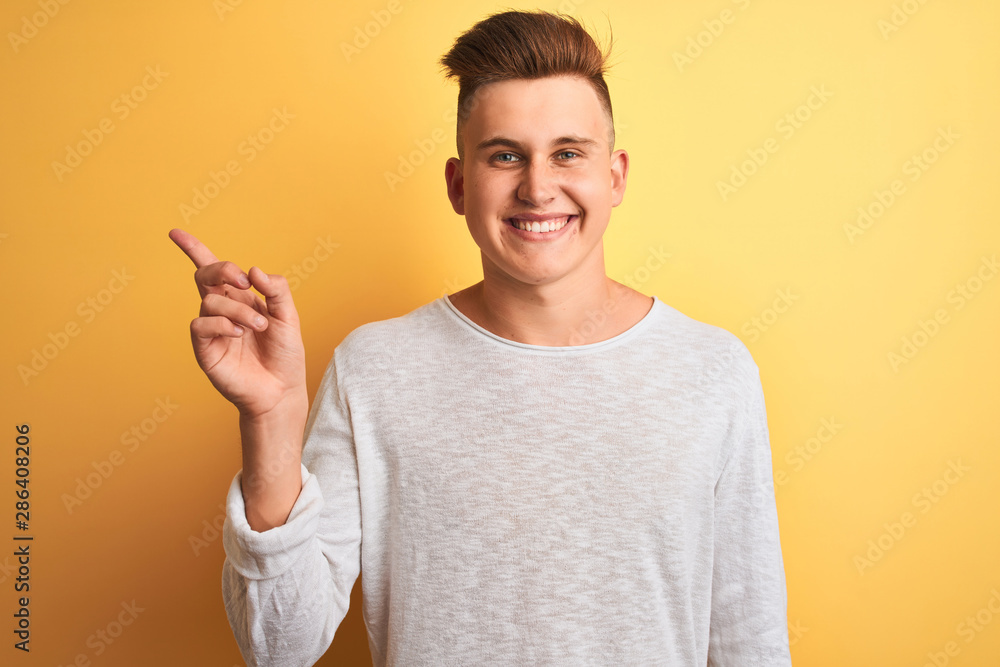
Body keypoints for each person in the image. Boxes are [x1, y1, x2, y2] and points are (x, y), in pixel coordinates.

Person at [170, 9, 792, 666]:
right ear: (459, 185)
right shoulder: (375, 371)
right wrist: (269, 420)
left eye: (568, 153)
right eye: (505, 156)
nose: (538, 187)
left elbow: (749, 641)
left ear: (614, 177)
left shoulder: (713, 369)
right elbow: (280, 645)